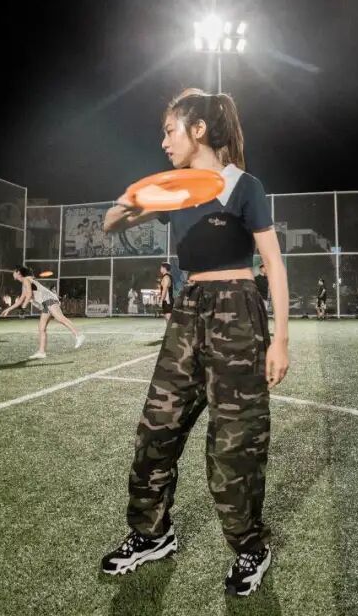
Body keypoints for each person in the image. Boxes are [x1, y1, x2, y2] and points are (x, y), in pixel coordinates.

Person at [100, 88, 289, 596]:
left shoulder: (244, 185)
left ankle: (250, 547)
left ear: (198, 130)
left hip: (238, 313)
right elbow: (111, 224)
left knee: (234, 446)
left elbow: (273, 263)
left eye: (170, 131)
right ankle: (152, 535)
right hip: (187, 312)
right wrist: (132, 199)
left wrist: (281, 340)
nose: (164, 142)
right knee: (155, 429)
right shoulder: (175, 190)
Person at [1, 267, 84, 358]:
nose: (13, 273)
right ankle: (41, 352)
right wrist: (8, 309)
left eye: (14, 271)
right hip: (46, 303)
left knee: (60, 318)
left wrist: (23, 307)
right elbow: (21, 300)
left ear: (18, 273)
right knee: (41, 327)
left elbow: (29, 295)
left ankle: (79, 335)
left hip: (49, 300)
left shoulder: (26, 280)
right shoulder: (25, 283)